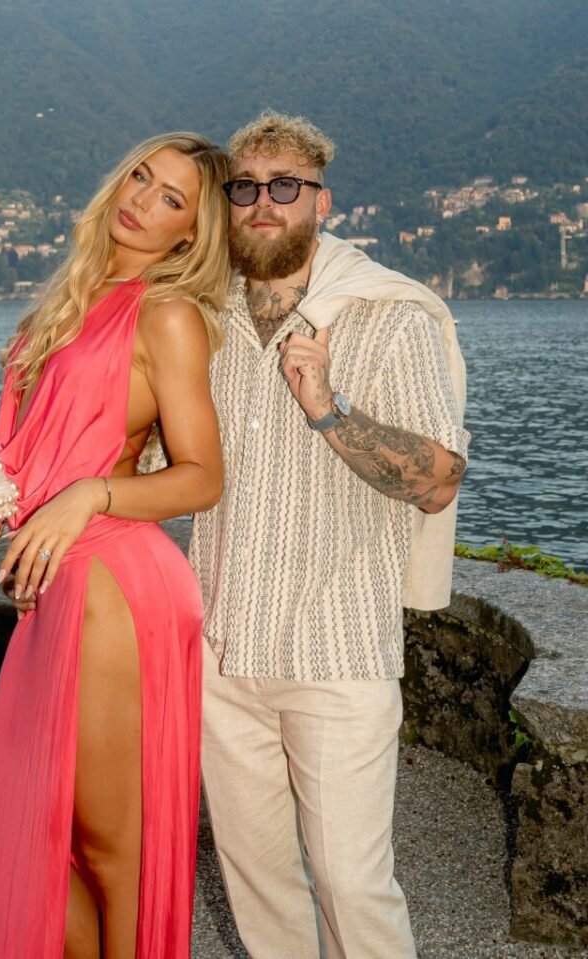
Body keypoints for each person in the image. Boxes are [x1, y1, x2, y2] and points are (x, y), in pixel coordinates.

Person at [189, 112, 470, 958]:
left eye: (286, 186)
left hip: (337, 652)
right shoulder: (202, 319)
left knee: (352, 884)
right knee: (257, 877)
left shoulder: (388, 318)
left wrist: (328, 408)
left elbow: (437, 481)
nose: (263, 202)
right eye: (244, 187)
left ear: (322, 201)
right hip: (221, 649)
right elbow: (157, 458)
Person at [0, 132, 231, 959]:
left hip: (114, 582)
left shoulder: (167, 314)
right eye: (141, 176)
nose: (142, 200)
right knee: (43, 838)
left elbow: (203, 476)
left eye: (171, 198)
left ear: (192, 233)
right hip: (52, 583)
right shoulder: (63, 304)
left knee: (111, 849)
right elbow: (40, 457)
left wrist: (89, 492)